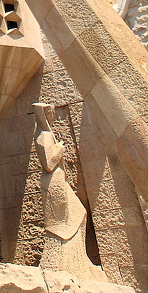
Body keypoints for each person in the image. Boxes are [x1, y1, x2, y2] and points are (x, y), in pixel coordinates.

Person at [33, 102, 106, 280]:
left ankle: (78, 259)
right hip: (53, 183)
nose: (53, 116)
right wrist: (60, 149)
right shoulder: (43, 136)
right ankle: (61, 261)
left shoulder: (47, 134)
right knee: (63, 222)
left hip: (58, 180)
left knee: (79, 212)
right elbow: (48, 164)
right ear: (43, 115)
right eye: (50, 113)